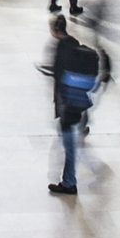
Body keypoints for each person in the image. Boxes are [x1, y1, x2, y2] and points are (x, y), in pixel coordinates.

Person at [45, 14, 99, 196]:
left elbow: (60, 80)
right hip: (79, 100)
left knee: (69, 145)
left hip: (68, 104)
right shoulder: (73, 42)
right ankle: (82, 128)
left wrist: (59, 107)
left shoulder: (60, 49)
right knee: (69, 142)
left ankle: (69, 182)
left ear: (53, 30)